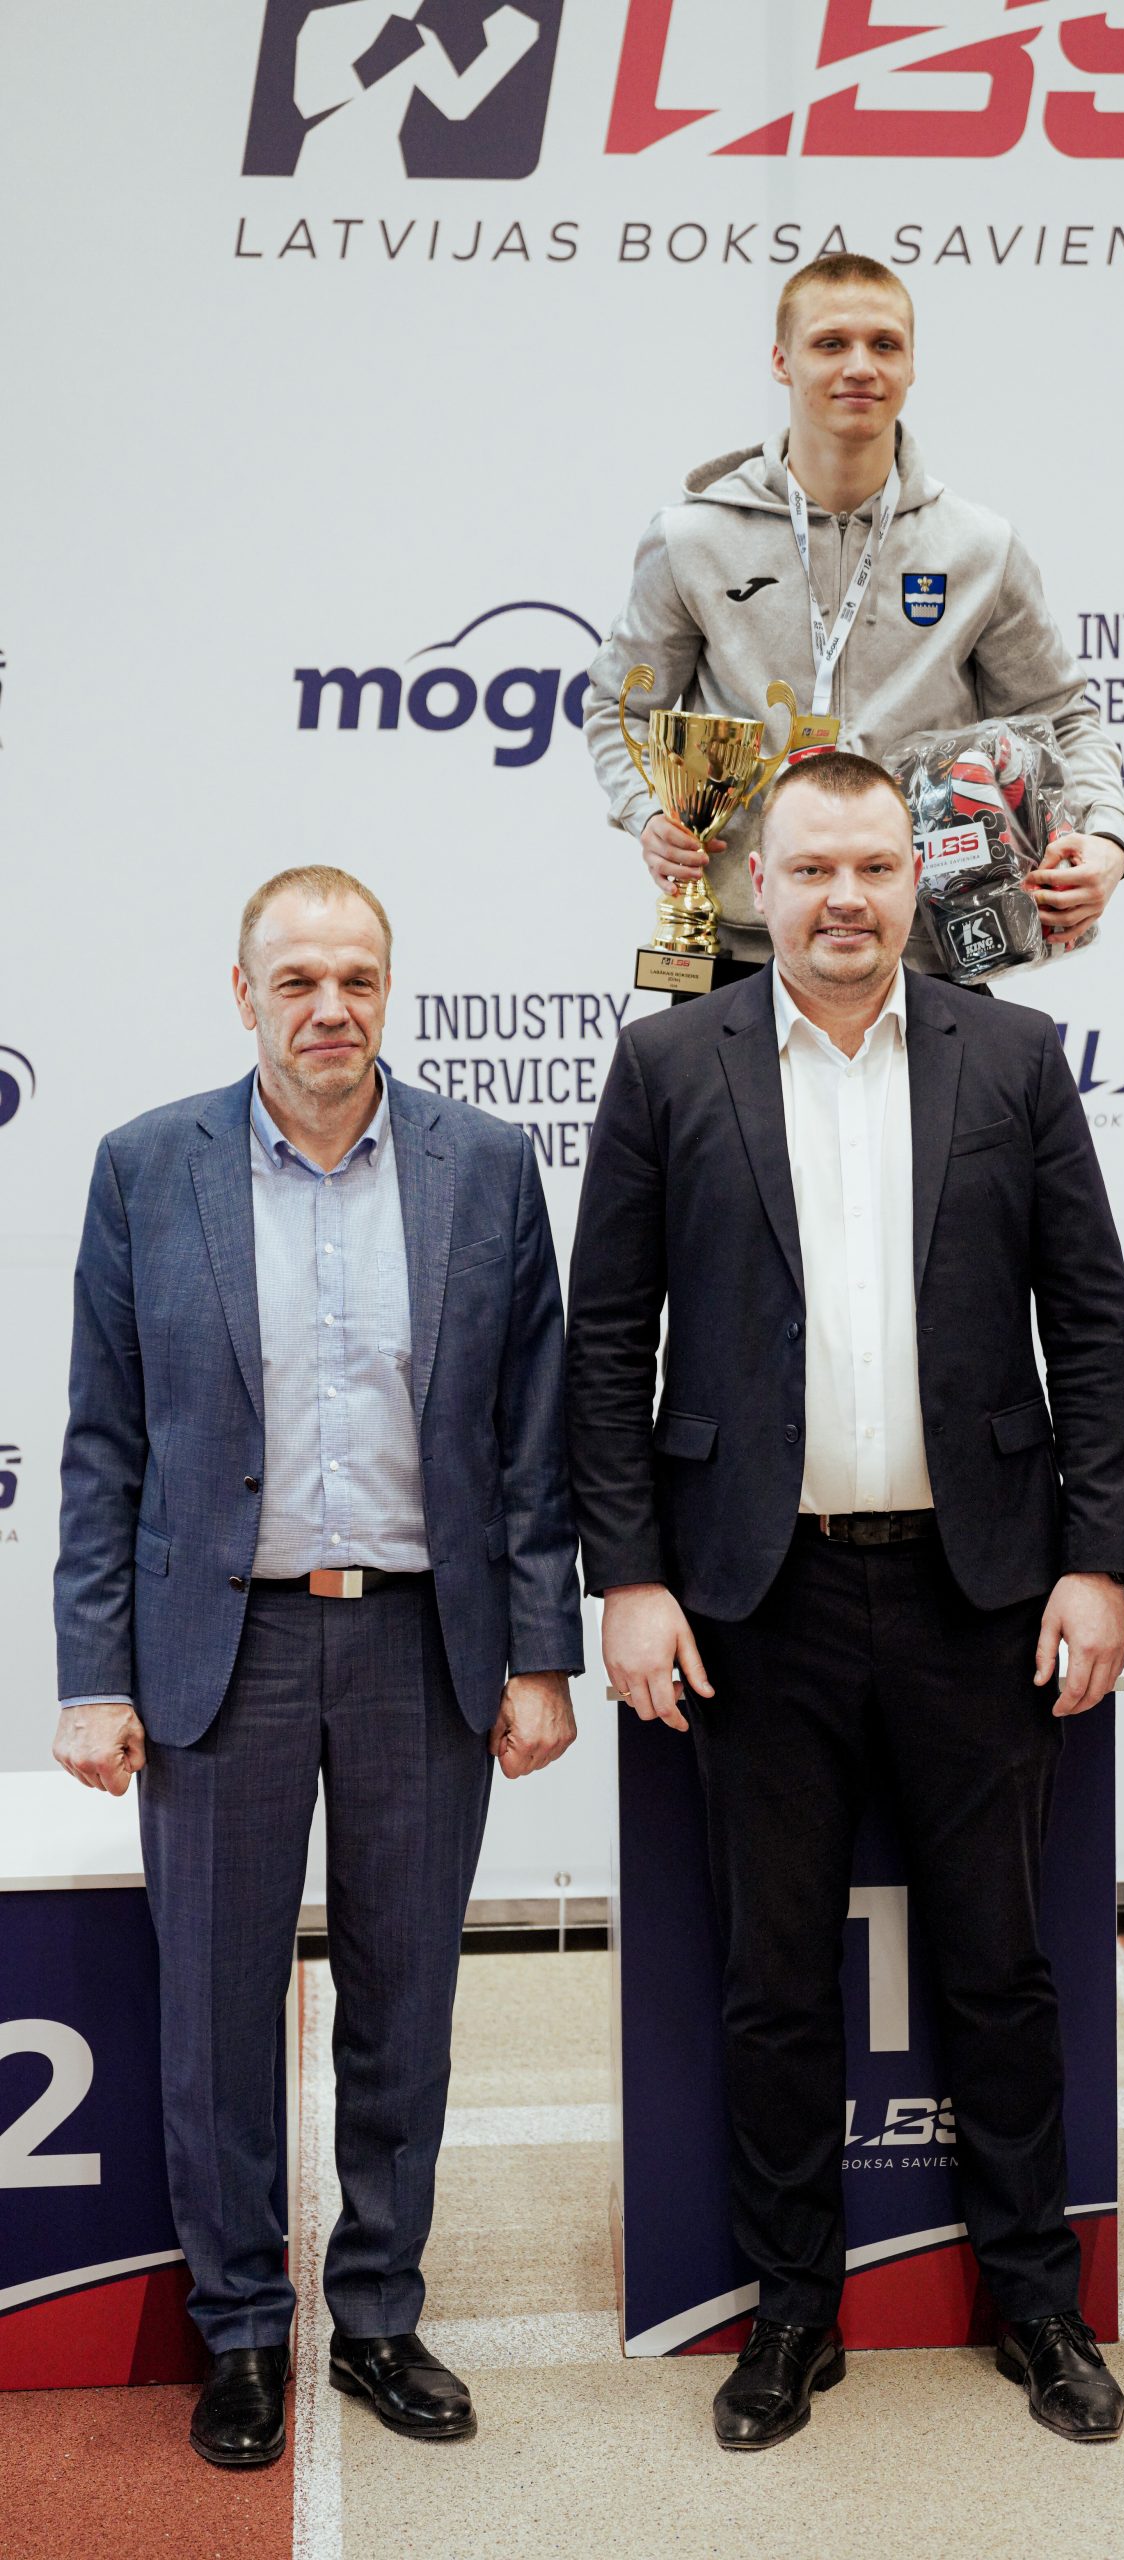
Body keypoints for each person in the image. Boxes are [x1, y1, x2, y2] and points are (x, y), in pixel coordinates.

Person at [565, 750, 1124, 2448]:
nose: (843, 900)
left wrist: (1097, 1557)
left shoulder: (1012, 1058)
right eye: (811, 868)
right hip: (755, 1601)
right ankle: (788, 2314)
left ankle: (1035, 2299)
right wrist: (628, 1576)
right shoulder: (667, 1064)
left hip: (981, 1593)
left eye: (874, 869)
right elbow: (605, 1345)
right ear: (754, 883)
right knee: (771, 1979)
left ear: (915, 881)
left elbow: (1088, 1323)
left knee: (999, 1967)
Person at [53, 866, 581, 2469]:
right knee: (218, 2011)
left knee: (403, 2001)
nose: (329, 1008)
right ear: (244, 995)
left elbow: (532, 1439)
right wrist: (92, 1673)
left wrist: (540, 1653)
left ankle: (377, 2315)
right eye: (296, 981)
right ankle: (235, 2329)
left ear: (387, 988)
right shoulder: (148, 1166)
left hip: (426, 1639)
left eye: (356, 977)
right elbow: (104, 1442)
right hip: (226, 1646)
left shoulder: (484, 1165)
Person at [581, 251, 1124, 987]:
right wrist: (650, 814)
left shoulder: (978, 547)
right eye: (830, 343)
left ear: (911, 366)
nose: (860, 367)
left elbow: (1061, 716)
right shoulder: (693, 538)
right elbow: (618, 704)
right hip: (743, 949)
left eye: (884, 344)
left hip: (929, 948)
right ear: (781, 361)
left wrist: (1106, 839)